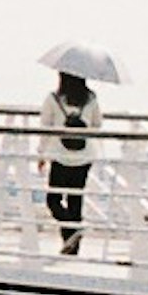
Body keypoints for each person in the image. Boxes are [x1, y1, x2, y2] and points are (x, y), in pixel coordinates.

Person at [44, 69, 102, 256]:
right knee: (75, 200)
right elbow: (97, 123)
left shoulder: (54, 99)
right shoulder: (91, 99)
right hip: (84, 157)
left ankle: (70, 234)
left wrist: (41, 154)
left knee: (54, 200)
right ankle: (73, 245)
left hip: (60, 156)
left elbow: (45, 125)